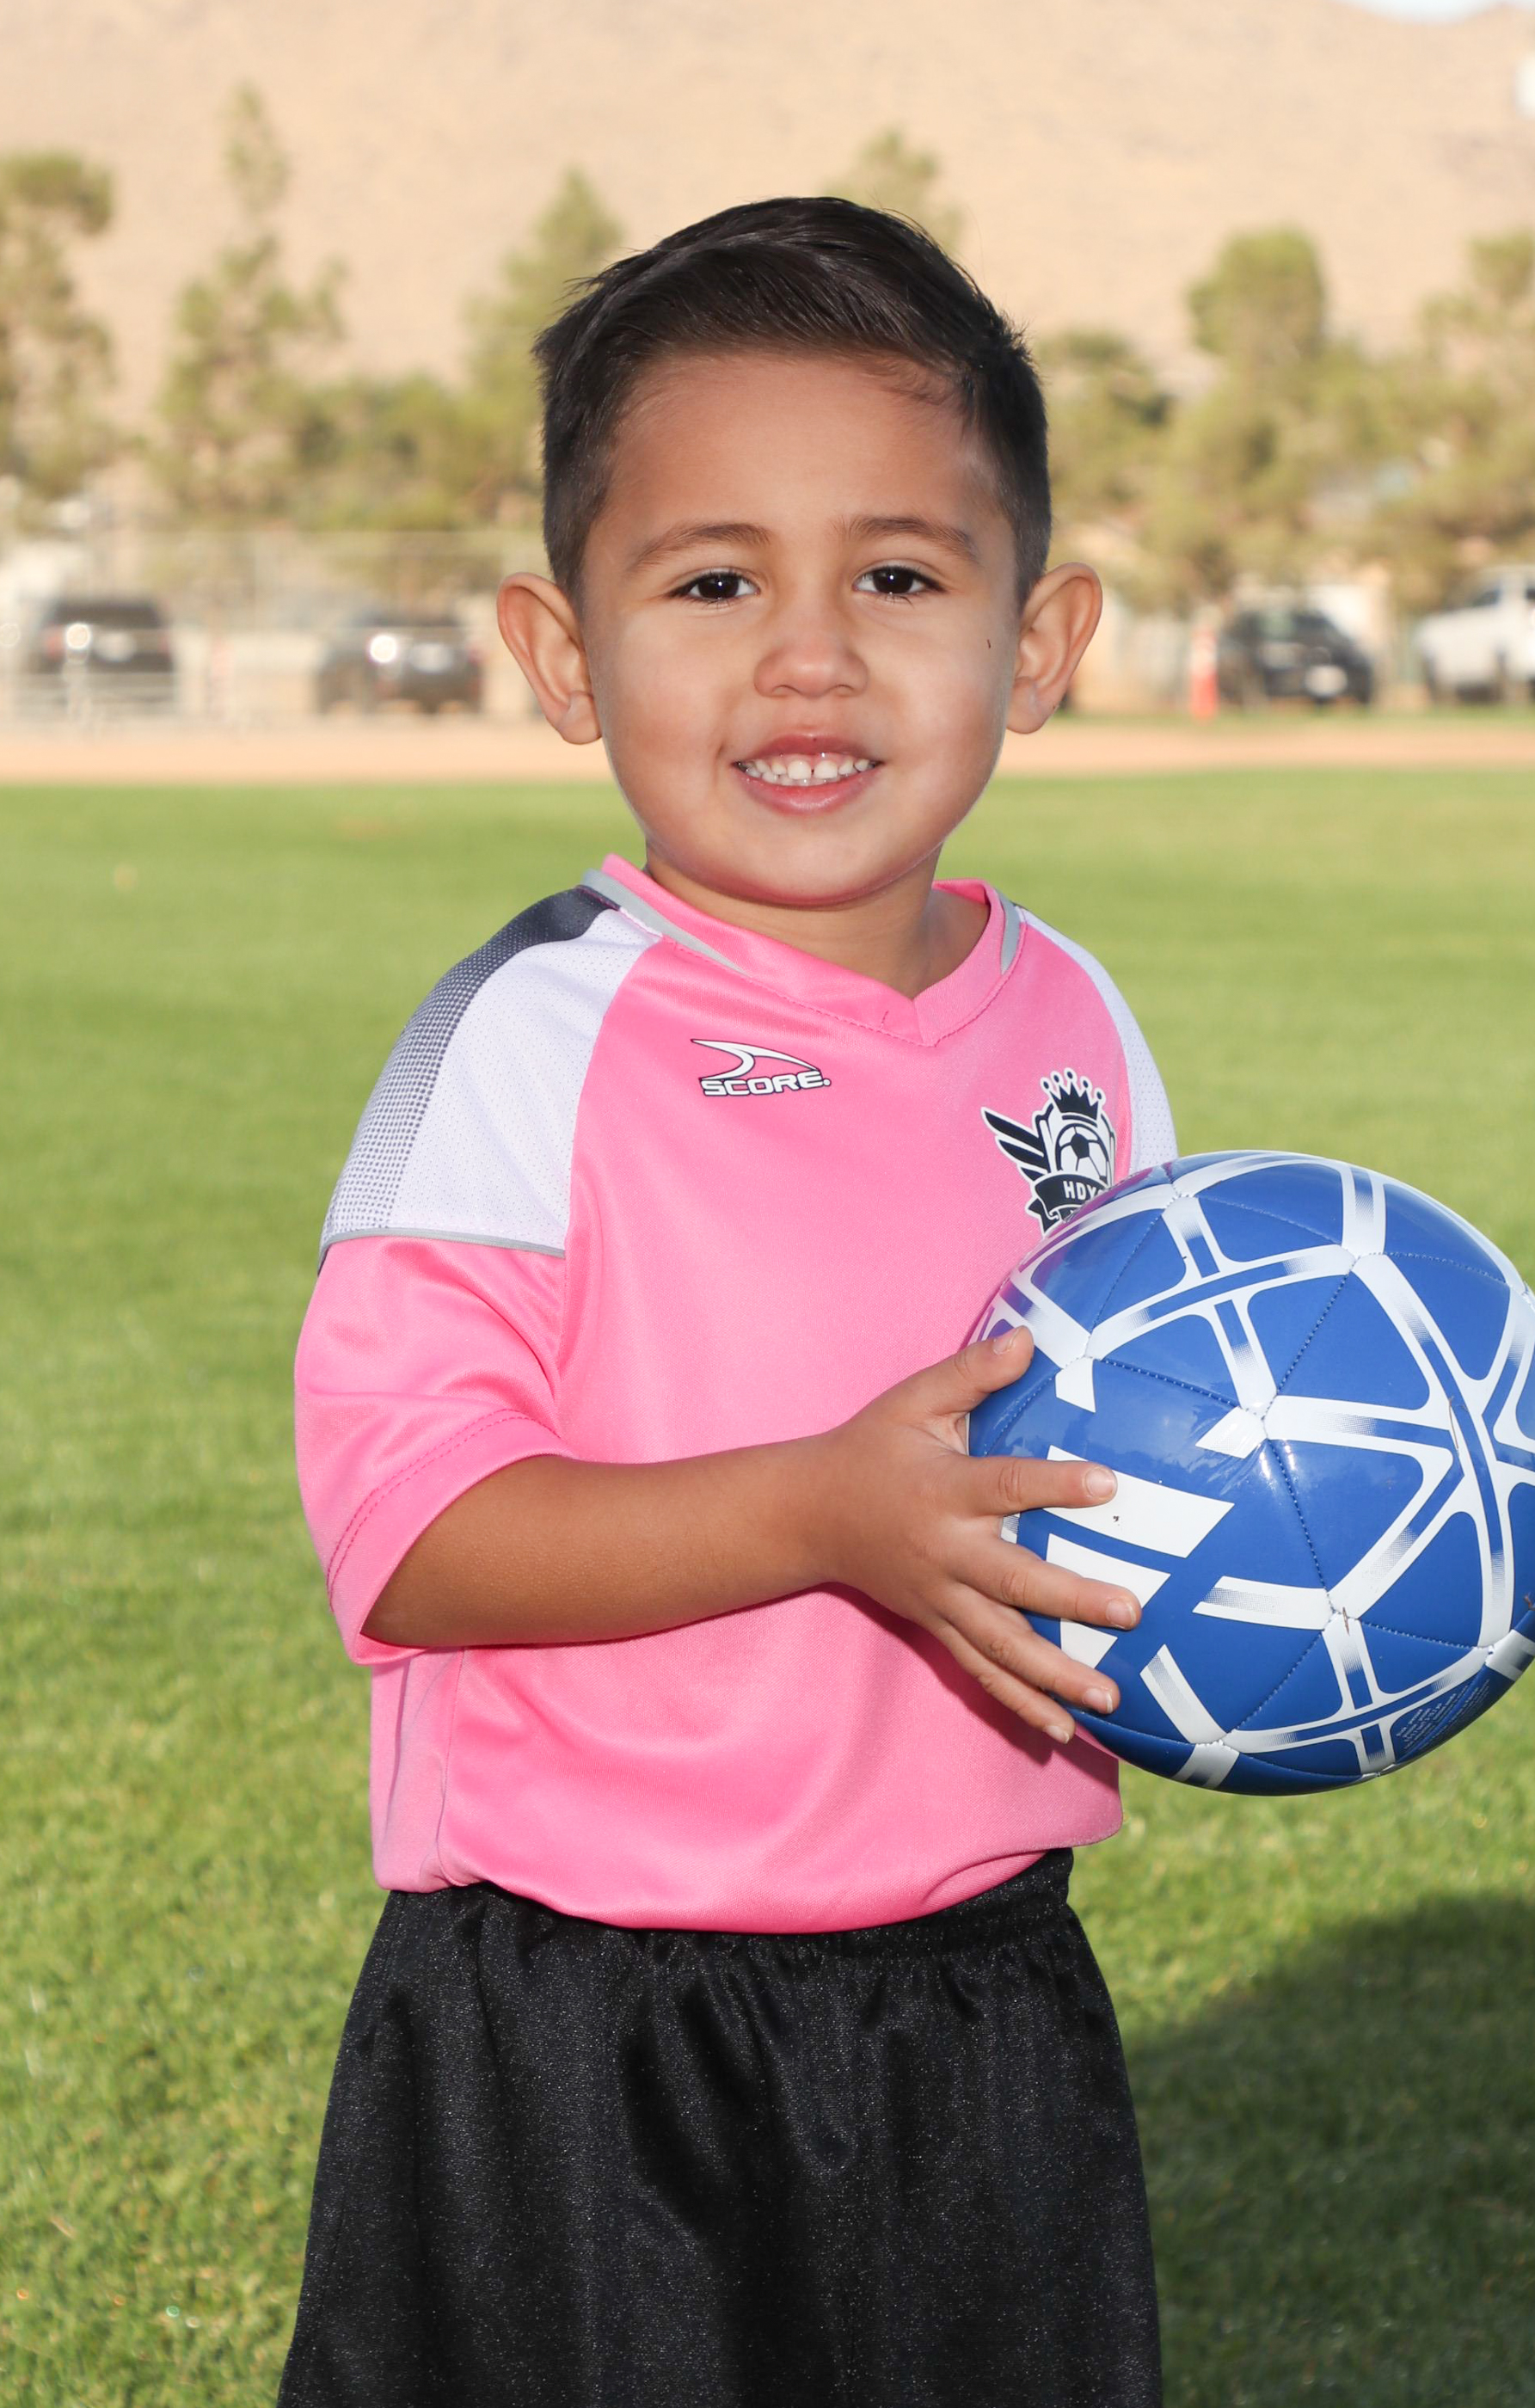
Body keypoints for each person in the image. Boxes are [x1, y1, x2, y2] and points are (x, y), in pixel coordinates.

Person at [279, 196, 1175, 2408]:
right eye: (712, 583)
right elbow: (408, 1530)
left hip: (985, 1996)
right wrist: (818, 1509)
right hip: (592, 2027)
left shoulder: (1074, 1020)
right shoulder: (530, 1035)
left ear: (1038, 639)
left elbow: (1130, 1459)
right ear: (563, 653)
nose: (809, 658)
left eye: (898, 577)